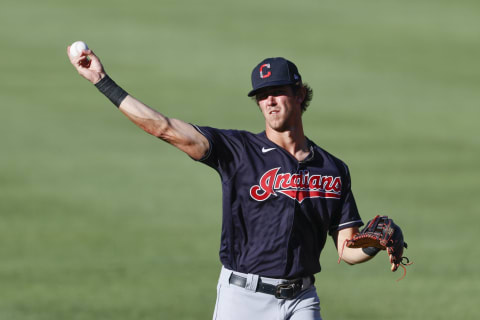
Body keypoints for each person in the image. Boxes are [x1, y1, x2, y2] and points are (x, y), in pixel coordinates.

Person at [67, 48, 384, 320]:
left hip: (302, 299)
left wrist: (376, 242)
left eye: (277, 91)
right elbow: (162, 127)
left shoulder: (332, 169)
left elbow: (347, 248)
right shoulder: (238, 151)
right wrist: (101, 81)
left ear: (300, 94)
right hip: (245, 300)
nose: (269, 101)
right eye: (262, 95)